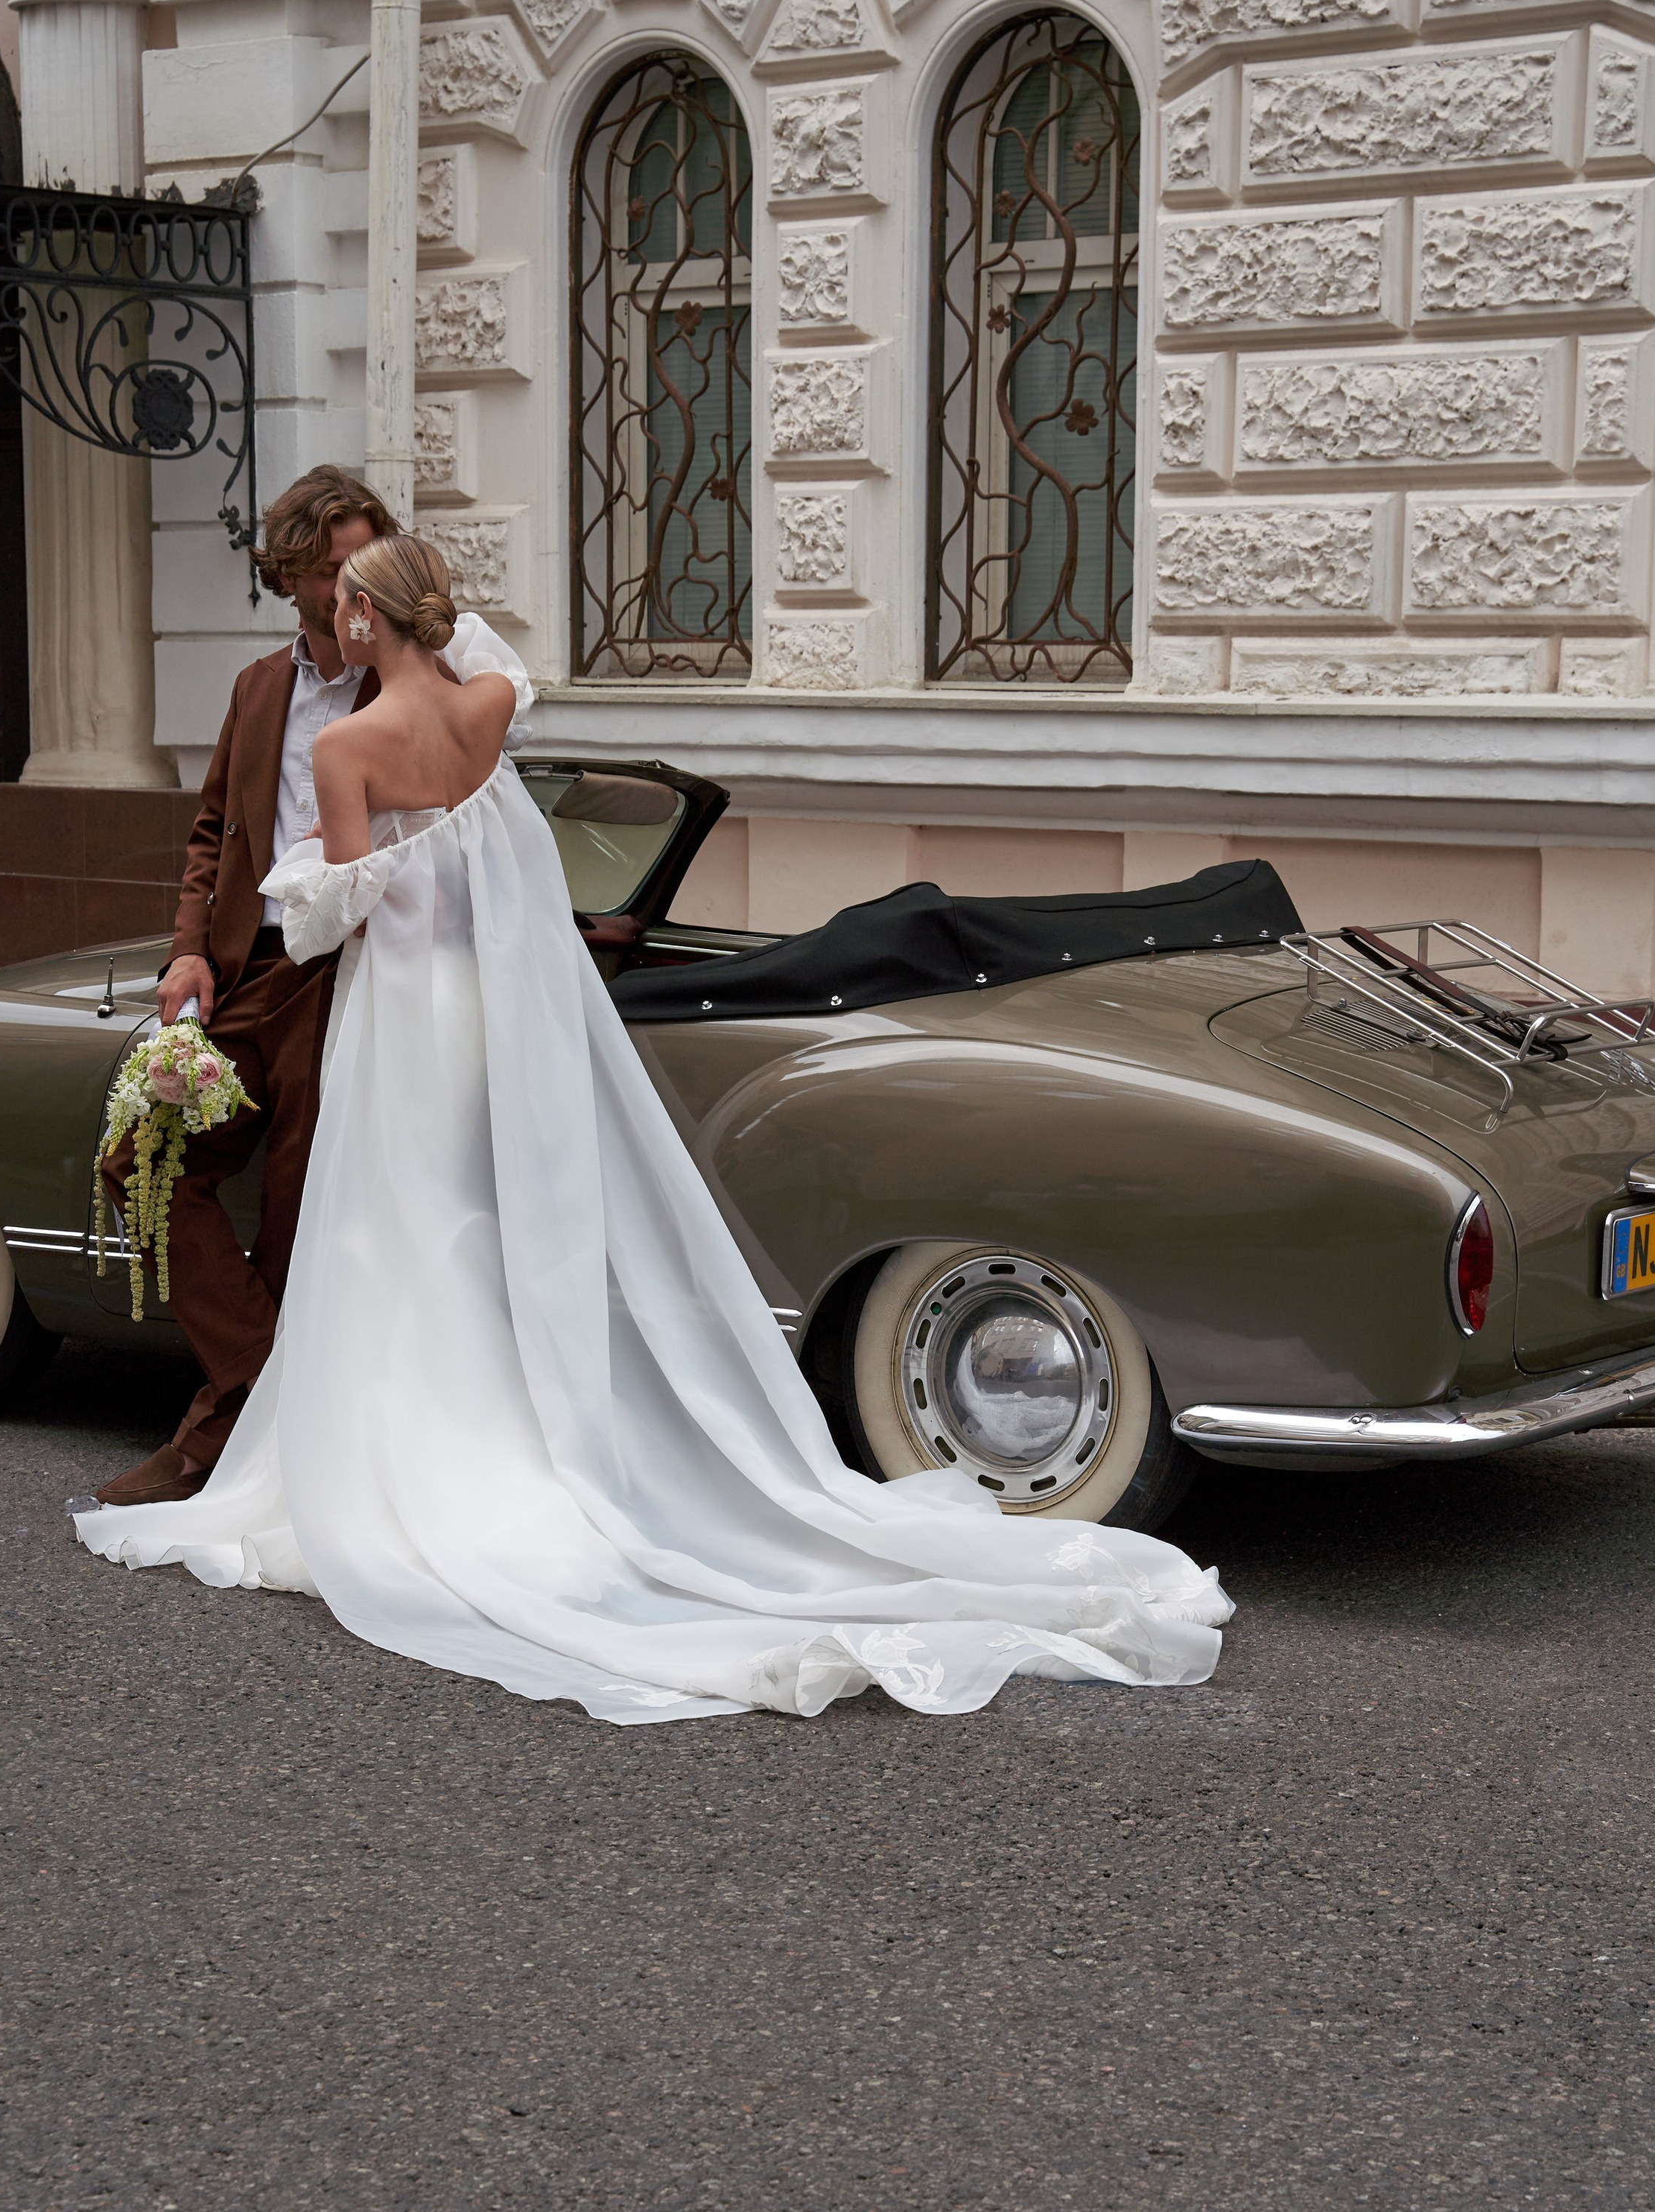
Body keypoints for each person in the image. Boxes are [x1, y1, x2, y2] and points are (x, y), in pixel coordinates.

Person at [74, 534, 1231, 1725]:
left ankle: (421, 1453)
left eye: (349, 609)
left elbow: (338, 919)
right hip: (490, 1006)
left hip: (405, 1015)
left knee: (400, 1217)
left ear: (367, 619)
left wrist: (306, 882)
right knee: (487, 1206)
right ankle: (524, 1429)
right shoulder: (485, 705)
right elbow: (495, 690)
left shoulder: (346, 744)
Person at [87, 468, 533, 1511]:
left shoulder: (415, 680)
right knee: (140, 1162)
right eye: (332, 568)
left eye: (364, 565)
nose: (351, 587)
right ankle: (256, 1394)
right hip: (250, 971)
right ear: (289, 573)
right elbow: (213, 837)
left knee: (301, 1217)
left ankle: (222, 1443)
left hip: (356, 976)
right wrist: (187, 951)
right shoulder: (256, 688)